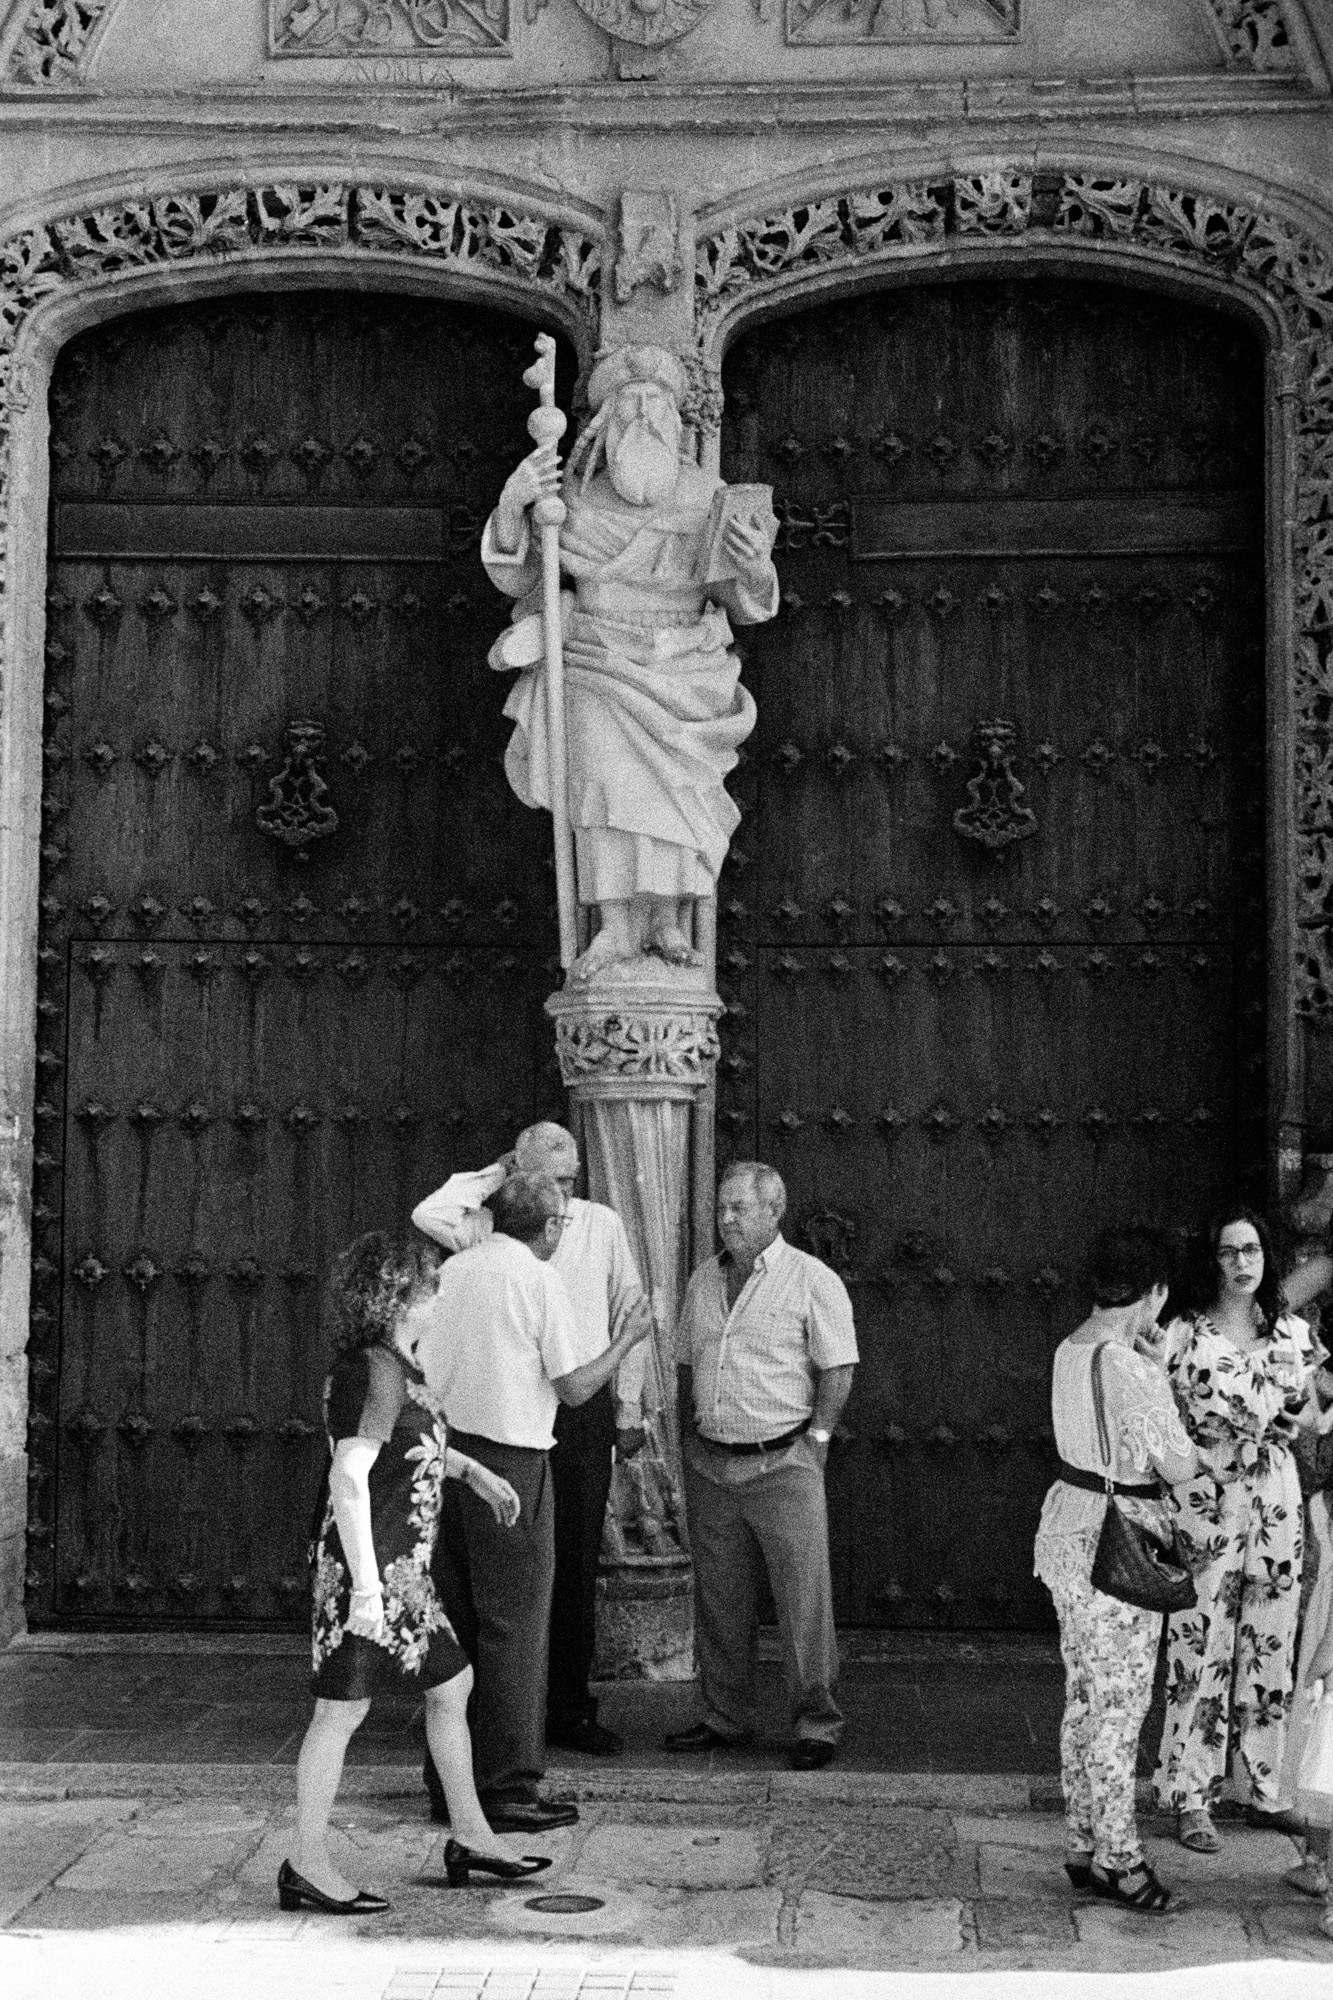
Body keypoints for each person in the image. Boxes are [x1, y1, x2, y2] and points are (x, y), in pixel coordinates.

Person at [482, 342, 779, 984]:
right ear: (605, 421)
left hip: (685, 668)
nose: (644, 416)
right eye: (630, 405)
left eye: (658, 406)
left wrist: (754, 562)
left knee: (677, 800)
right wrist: (514, 503)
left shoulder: (709, 496)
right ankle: (616, 927)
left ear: (678, 422)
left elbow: (743, 601)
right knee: (604, 789)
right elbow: (524, 581)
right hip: (596, 660)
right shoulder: (573, 502)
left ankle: (670, 922)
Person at [282, 1233, 550, 1914]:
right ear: (398, 1296)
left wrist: (474, 1472)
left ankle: (470, 1835)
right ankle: (306, 1864)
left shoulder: (396, 1365)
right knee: (340, 1711)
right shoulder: (374, 1371)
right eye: (428, 1288)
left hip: (402, 1572)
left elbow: (409, 1448)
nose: (436, 1298)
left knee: (451, 1683)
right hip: (368, 1572)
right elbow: (349, 1477)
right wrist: (366, 1590)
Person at [415, 1172, 652, 1833]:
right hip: (512, 1465)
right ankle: (510, 1788)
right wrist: (627, 1341)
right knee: (516, 1629)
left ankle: (451, 1785)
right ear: (549, 1228)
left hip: (445, 1462)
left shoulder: (454, 1272)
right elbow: (575, 1388)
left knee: (457, 1626)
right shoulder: (536, 1279)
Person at [667, 1161, 857, 1770]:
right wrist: (687, 1443)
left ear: (774, 1213)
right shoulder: (701, 1281)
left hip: (783, 1461)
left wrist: (818, 1441)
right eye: (721, 1209)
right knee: (721, 1599)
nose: (725, 1220)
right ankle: (723, 1715)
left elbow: (838, 1367)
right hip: (712, 1465)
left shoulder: (811, 1279)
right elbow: (686, 1368)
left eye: (738, 1210)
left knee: (803, 1599)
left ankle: (816, 1721)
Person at [1033, 1226, 1198, 1916]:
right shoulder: (1128, 1365)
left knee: (1083, 1696)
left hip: (1067, 1529)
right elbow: (1178, 1464)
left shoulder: (1069, 1350)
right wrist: (1160, 1369)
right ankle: (1120, 1859)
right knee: (1121, 1708)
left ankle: (1081, 1844)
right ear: (1151, 1291)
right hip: (1117, 1543)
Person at [1154, 1206, 1322, 1852]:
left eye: (1250, 1250)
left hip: (1274, 1496)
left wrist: (1293, 1421)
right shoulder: (1182, 1336)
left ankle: (1265, 1788)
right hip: (1209, 1495)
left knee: (1271, 1638)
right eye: (1228, 1252)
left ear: (1265, 1256)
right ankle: (1188, 1794)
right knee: (1199, 1642)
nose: (1241, 1263)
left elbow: (1311, 1413)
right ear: (1212, 1261)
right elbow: (1157, 1412)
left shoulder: (1289, 1333)